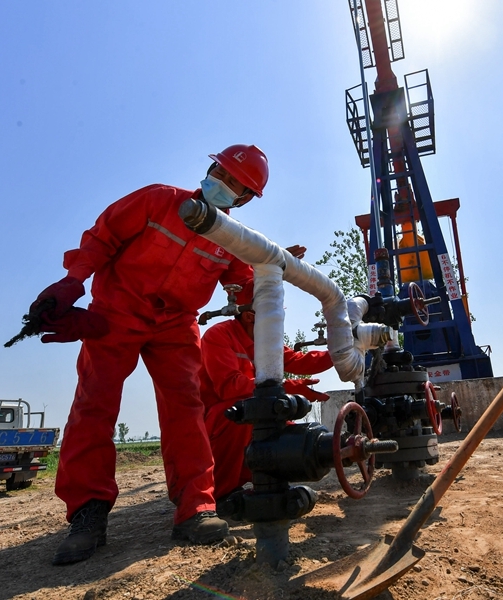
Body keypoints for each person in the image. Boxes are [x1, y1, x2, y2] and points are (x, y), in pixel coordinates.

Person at [32, 144, 269, 565]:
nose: (225, 185)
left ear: (245, 199)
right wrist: (73, 283)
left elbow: (245, 285)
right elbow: (101, 237)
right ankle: (88, 512)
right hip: (116, 313)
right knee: (93, 405)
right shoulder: (160, 200)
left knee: (187, 410)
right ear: (211, 168)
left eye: (237, 186)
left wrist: (274, 271)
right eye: (223, 174)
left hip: (176, 326)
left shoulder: (230, 240)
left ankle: (196, 507)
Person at [199, 306, 333, 512]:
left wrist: (341, 351)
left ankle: (271, 482)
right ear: (250, 316)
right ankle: (221, 494)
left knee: (284, 430)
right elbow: (229, 386)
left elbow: (299, 361)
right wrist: (287, 387)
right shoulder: (218, 336)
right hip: (217, 423)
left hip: (251, 414)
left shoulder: (265, 340)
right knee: (240, 413)